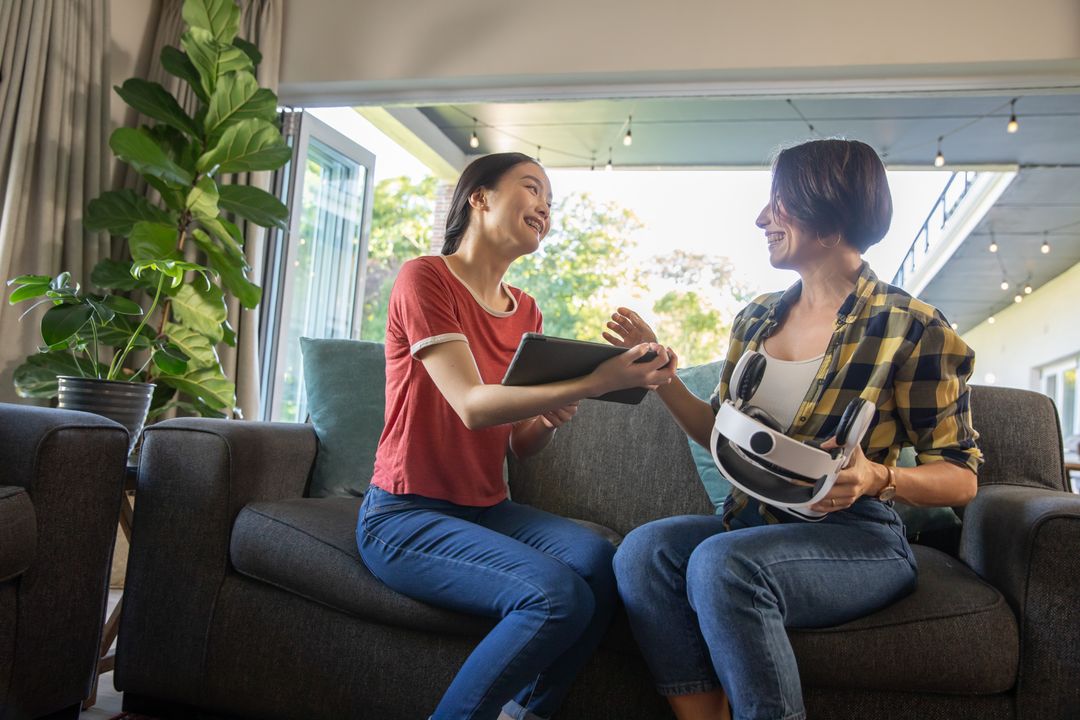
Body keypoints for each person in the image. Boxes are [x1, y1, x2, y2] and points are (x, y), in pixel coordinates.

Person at [605, 139, 982, 720]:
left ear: (828, 216)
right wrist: (663, 379)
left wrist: (879, 476)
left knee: (722, 564)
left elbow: (961, 477)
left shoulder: (912, 326)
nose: (762, 218)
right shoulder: (757, 317)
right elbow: (720, 437)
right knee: (644, 553)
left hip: (857, 537)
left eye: (778, 204)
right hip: (753, 522)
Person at [356, 152, 675, 720]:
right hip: (404, 515)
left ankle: (525, 714)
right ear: (479, 197)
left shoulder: (526, 311)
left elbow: (516, 443)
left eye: (550, 202)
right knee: (555, 595)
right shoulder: (425, 278)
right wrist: (595, 379)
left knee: (602, 562)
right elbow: (474, 407)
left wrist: (546, 421)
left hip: (487, 508)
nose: (545, 208)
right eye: (532, 189)